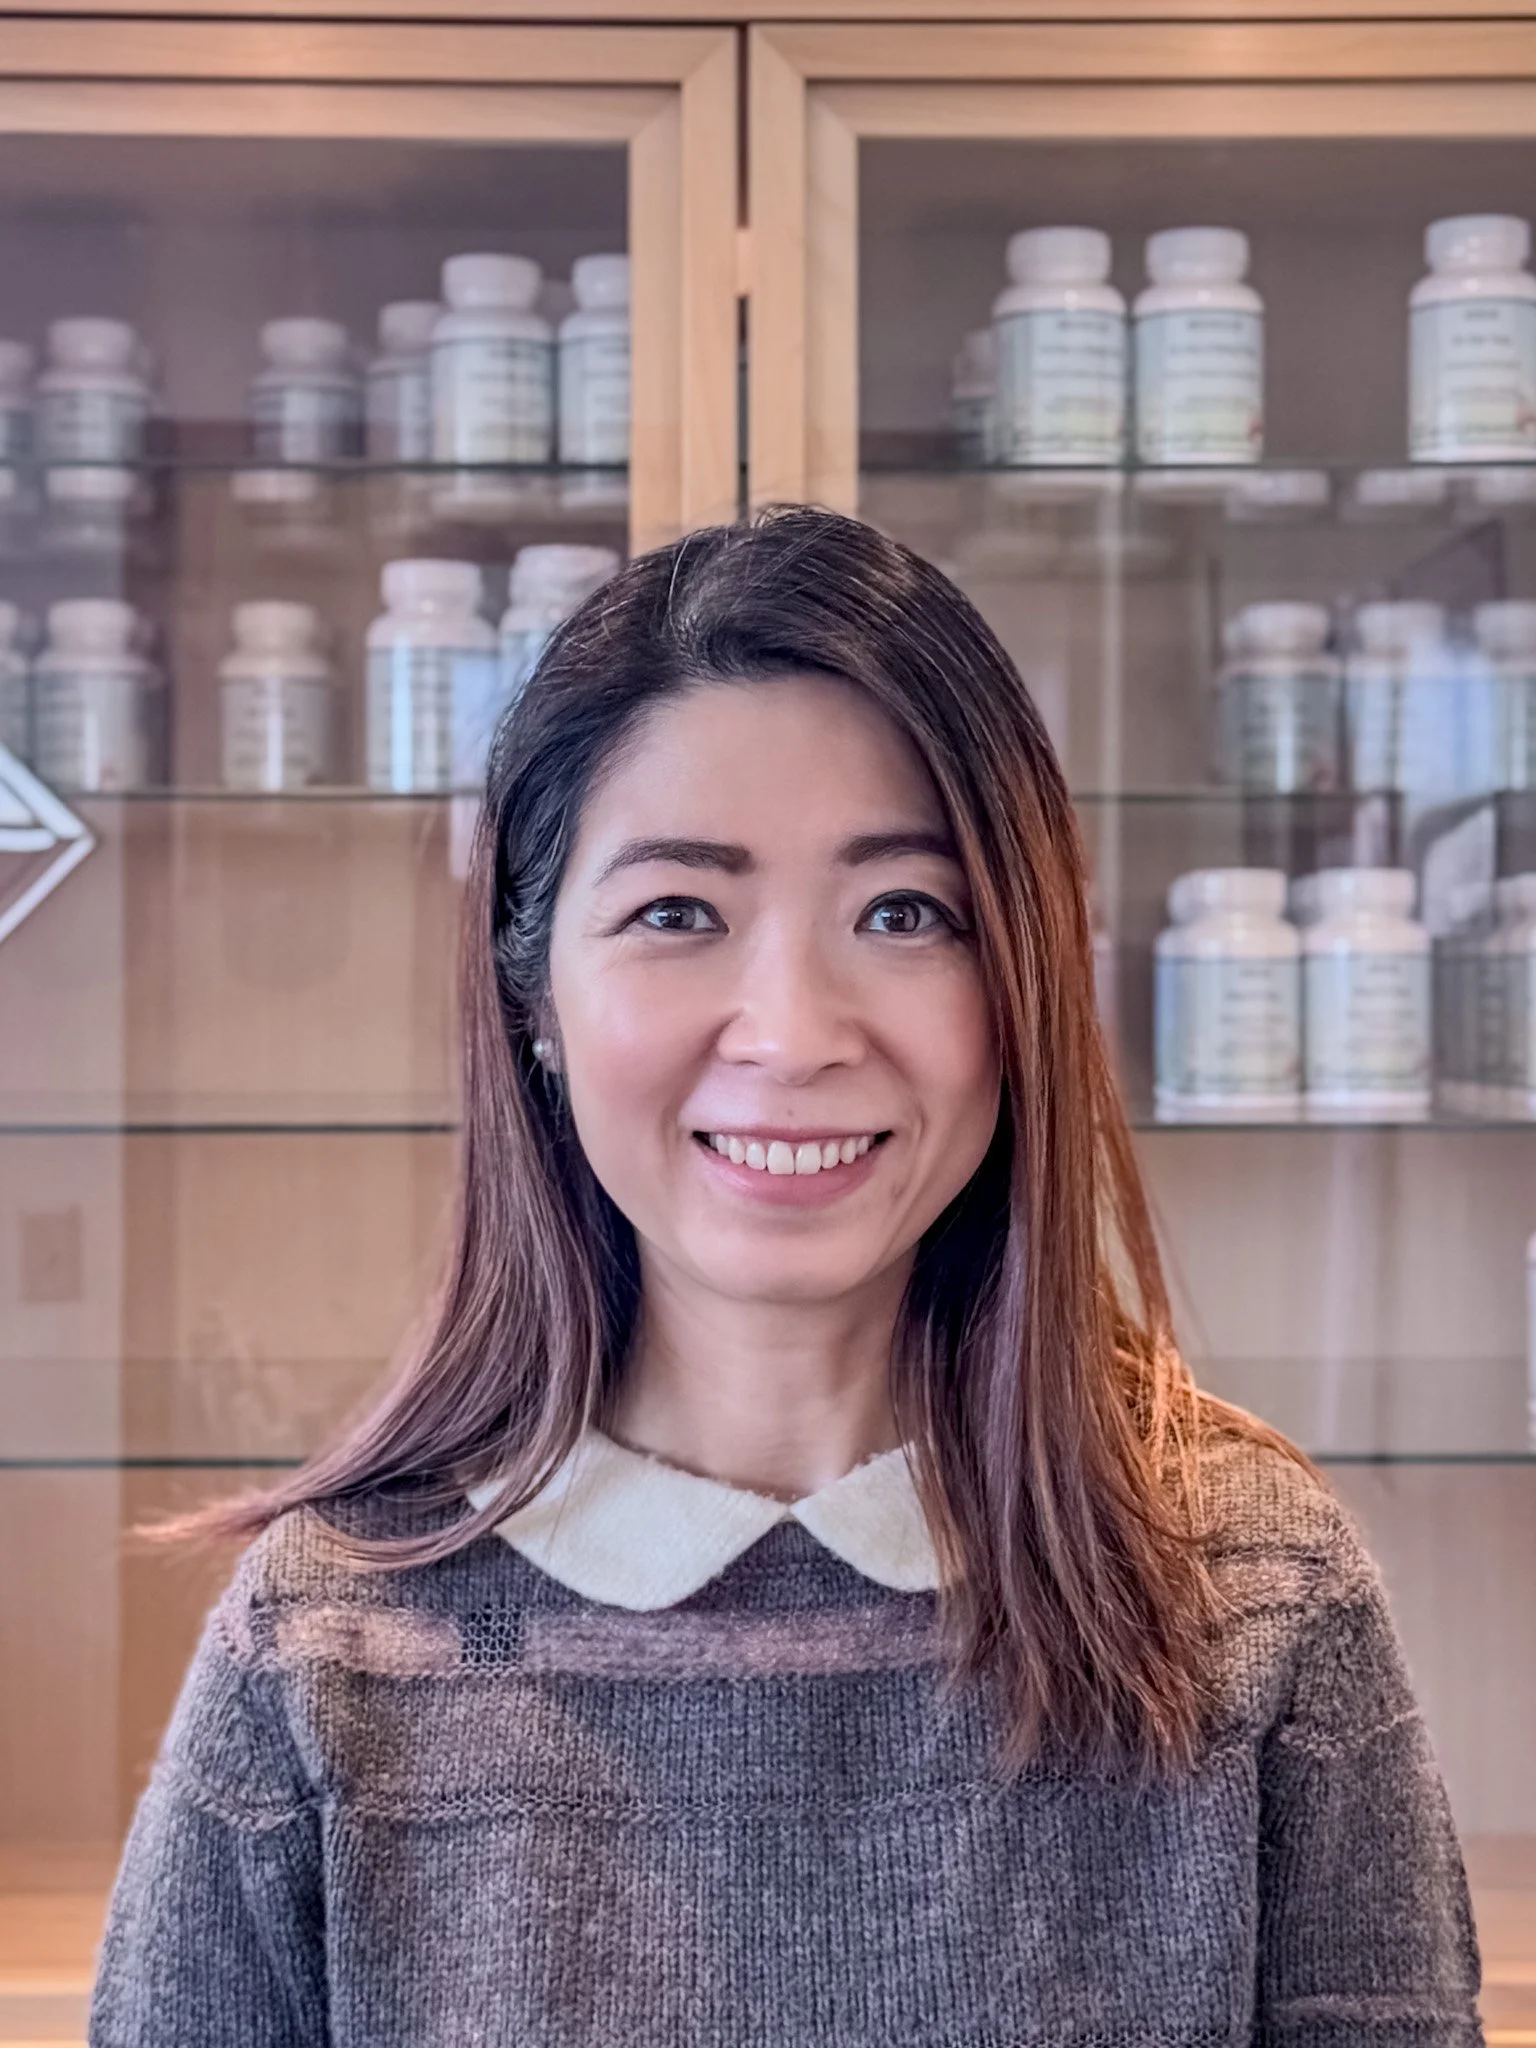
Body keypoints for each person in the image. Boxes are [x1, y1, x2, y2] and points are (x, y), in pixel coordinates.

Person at [89, 507, 1483, 2046]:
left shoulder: (1253, 1595)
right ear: (532, 992)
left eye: (906, 913)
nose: (793, 1031)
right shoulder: (329, 1649)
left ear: (1022, 983)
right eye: (678, 912)